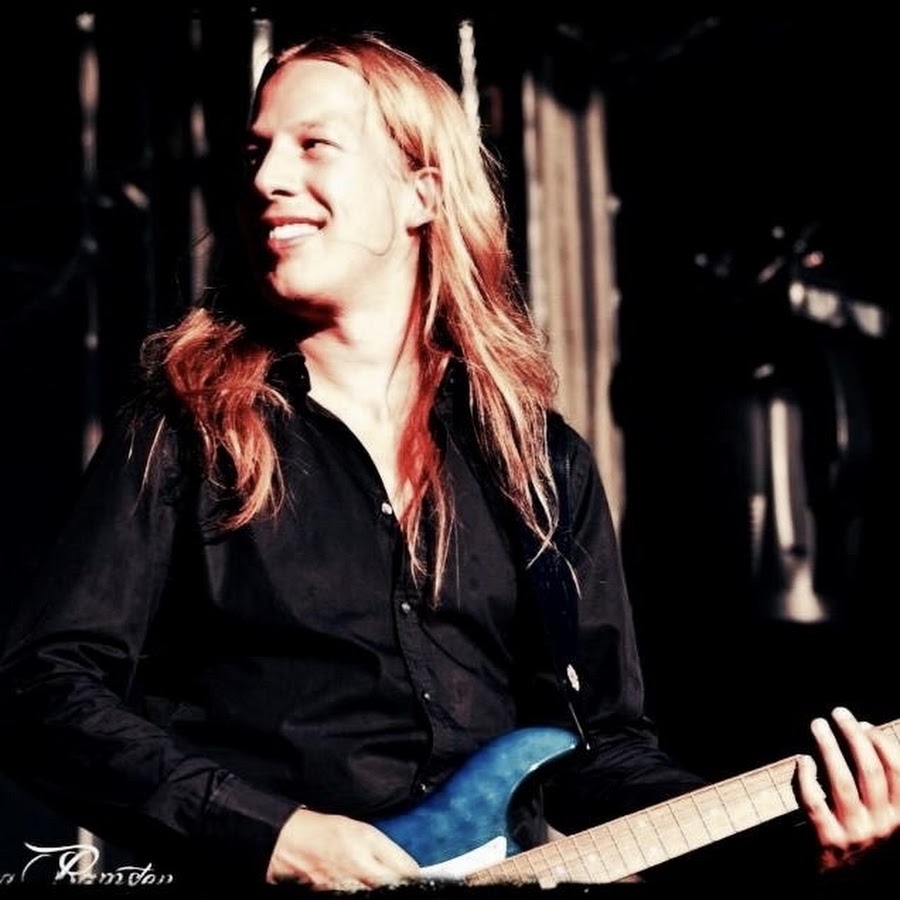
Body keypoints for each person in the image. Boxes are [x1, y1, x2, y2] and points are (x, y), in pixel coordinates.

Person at [0, 30, 896, 895]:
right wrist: (272, 835)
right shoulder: (188, 428)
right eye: (258, 151)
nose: (268, 178)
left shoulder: (536, 460)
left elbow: (599, 755)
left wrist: (797, 833)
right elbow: (41, 691)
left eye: (314, 144)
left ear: (420, 192)